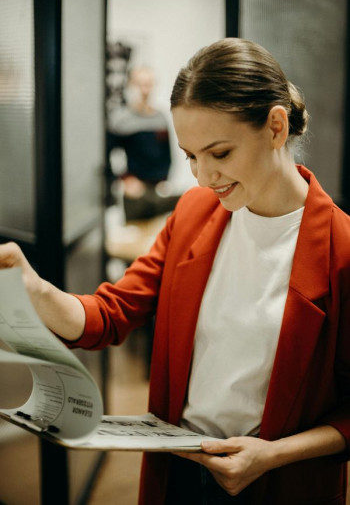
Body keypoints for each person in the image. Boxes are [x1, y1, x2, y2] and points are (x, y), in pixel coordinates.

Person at [1, 38, 350, 505]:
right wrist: (35, 289)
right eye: (190, 155)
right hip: (178, 470)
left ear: (275, 127)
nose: (203, 177)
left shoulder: (341, 249)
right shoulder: (193, 213)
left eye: (219, 153)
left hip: (278, 482)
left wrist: (271, 455)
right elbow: (111, 313)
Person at [107, 66, 180, 221]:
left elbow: (167, 154)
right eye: (139, 84)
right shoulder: (120, 119)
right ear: (130, 86)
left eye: (148, 84)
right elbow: (106, 155)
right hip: (135, 192)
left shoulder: (160, 118)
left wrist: (165, 180)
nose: (144, 90)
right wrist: (124, 179)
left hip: (159, 189)